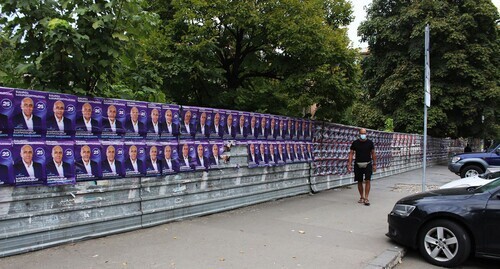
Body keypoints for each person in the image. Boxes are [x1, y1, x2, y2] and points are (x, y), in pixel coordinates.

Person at [347, 128, 377, 206]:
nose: (363, 135)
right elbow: (351, 153)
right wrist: (349, 164)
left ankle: (366, 198)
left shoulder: (370, 143)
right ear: (359, 134)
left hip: (367, 163)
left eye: (364, 133)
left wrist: (374, 164)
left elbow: (373, 153)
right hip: (358, 164)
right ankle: (361, 197)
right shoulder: (355, 143)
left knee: (367, 180)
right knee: (359, 181)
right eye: (361, 133)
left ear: (366, 134)